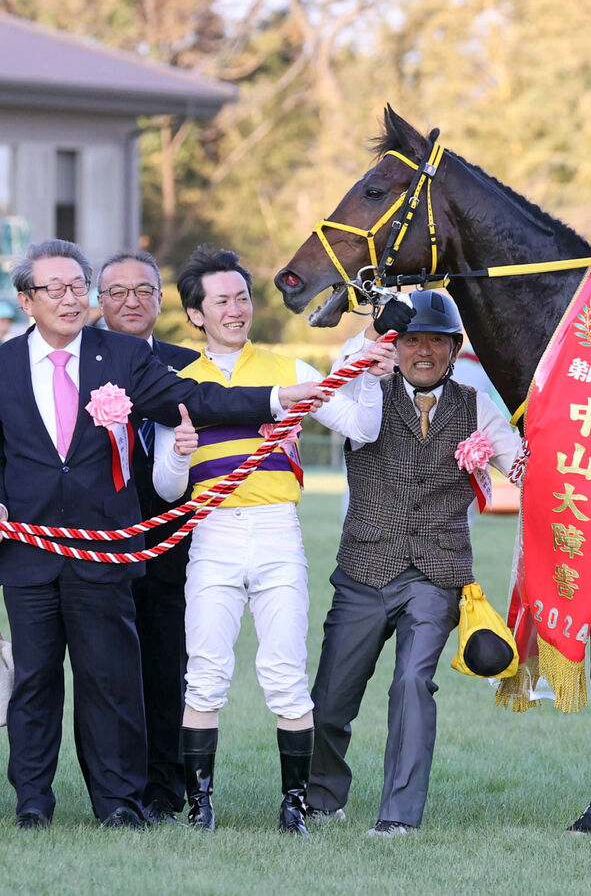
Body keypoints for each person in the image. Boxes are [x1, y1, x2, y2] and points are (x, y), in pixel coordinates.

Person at [0, 238, 325, 831]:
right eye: (56, 290)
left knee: (110, 681)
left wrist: (276, 398)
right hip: (28, 553)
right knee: (35, 682)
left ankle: (120, 804)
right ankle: (32, 803)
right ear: (27, 301)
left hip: (104, 546)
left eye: (78, 286)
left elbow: (193, 397)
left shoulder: (119, 357)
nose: (71, 299)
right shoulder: (0, 367)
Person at [153, 245, 394, 835]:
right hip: (212, 536)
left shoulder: (291, 371)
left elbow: (361, 426)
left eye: (241, 298)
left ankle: (294, 806)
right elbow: (164, 488)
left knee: (284, 673)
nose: (235, 309)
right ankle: (200, 804)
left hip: (278, 534)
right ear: (195, 315)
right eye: (221, 301)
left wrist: (360, 369)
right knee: (205, 673)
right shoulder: (180, 382)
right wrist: (180, 457)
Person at [307, 289, 521, 838]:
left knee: (411, 684)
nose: (422, 351)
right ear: (394, 344)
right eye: (411, 339)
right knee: (331, 699)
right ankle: (323, 797)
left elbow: (522, 470)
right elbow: (345, 363)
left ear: (455, 348)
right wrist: (373, 328)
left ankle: (398, 817)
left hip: (437, 574)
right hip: (364, 569)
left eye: (436, 341)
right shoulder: (361, 392)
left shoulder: (478, 404)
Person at [96, 251, 199, 824]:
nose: (131, 302)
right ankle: (117, 791)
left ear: (161, 301)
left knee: (168, 670)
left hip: (172, 547)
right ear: (99, 301)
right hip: (96, 547)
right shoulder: (79, 363)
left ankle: (166, 791)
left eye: (144, 291)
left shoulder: (191, 366)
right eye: (116, 292)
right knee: (109, 675)